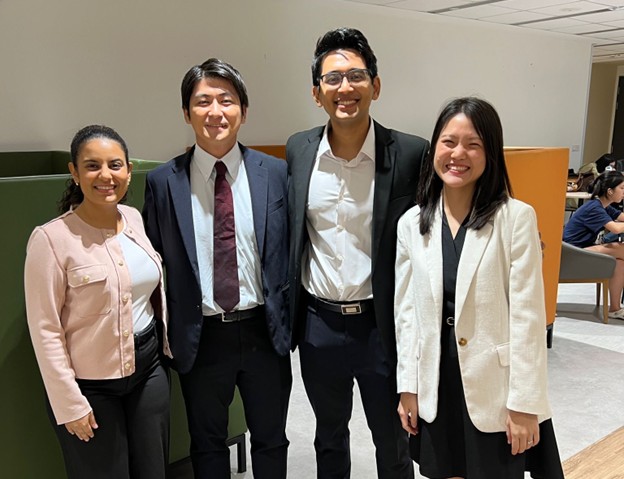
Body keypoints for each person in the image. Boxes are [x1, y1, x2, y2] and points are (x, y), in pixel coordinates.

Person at [395, 97, 564, 479]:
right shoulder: (412, 224)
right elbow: (406, 315)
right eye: (448, 142)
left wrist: (525, 403)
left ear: (491, 153)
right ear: (434, 148)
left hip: (495, 387)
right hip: (435, 381)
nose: (458, 154)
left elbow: (528, 319)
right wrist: (408, 386)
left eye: (473, 144)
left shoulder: (515, 218)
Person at [287, 27, 429, 479]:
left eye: (356, 76)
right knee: (329, 437)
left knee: (393, 438)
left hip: (380, 325)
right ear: (317, 93)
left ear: (375, 85)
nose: (344, 88)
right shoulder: (299, 150)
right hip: (318, 324)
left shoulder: (411, 153)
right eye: (332, 79)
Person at [142, 58, 291, 479]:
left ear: (244, 110)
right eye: (202, 101)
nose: (215, 112)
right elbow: (154, 260)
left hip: (264, 331)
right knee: (207, 445)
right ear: (186, 112)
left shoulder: (276, 173)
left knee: (272, 439)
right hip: (201, 335)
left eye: (226, 100)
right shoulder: (163, 182)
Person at [24, 125, 171, 479]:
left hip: (148, 369)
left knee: (153, 471)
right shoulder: (50, 239)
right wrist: (69, 403)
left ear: (128, 171)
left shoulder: (133, 219)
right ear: (74, 173)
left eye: (115, 165)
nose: (106, 175)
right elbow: (45, 330)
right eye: (92, 166)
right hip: (89, 385)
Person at [563, 170, 624, 319]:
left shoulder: (604, 205)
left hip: (581, 249)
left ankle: (615, 309)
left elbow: (621, 217)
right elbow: (616, 229)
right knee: (621, 249)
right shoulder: (594, 208)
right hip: (571, 253)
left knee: (620, 262)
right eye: (622, 188)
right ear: (610, 191)